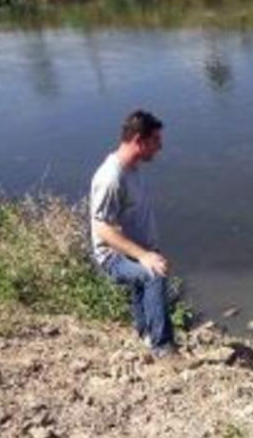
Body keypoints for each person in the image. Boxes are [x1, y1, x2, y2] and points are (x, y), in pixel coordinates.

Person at [90, 109, 175, 357]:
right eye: (156, 141)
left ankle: (145, 336)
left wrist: (147, 251)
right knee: (153, 275)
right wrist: (145, 256)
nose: (160, 147)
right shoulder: (111, 177)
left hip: (135, 250)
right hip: (113, 256)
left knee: (143, 284)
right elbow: (102, 229)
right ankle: (163, 350)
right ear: (139, 141)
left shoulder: (131, 169)